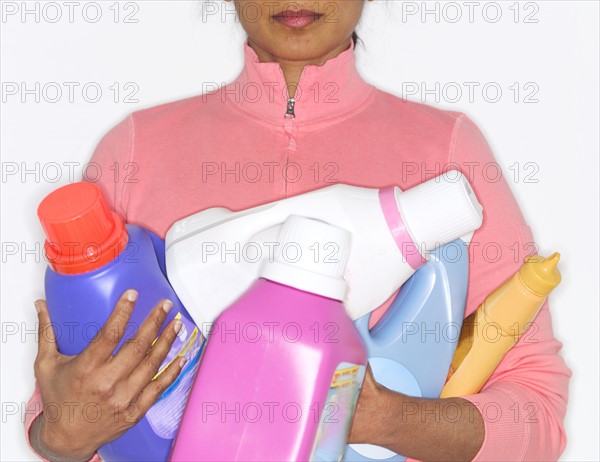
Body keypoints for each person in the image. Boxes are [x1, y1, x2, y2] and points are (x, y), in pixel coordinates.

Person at [25, 1, 571, 460]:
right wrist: (64, 433)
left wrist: (383, 419)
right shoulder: (137, 150)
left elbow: (538, 412)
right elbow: (51, 414)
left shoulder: (445, 152)